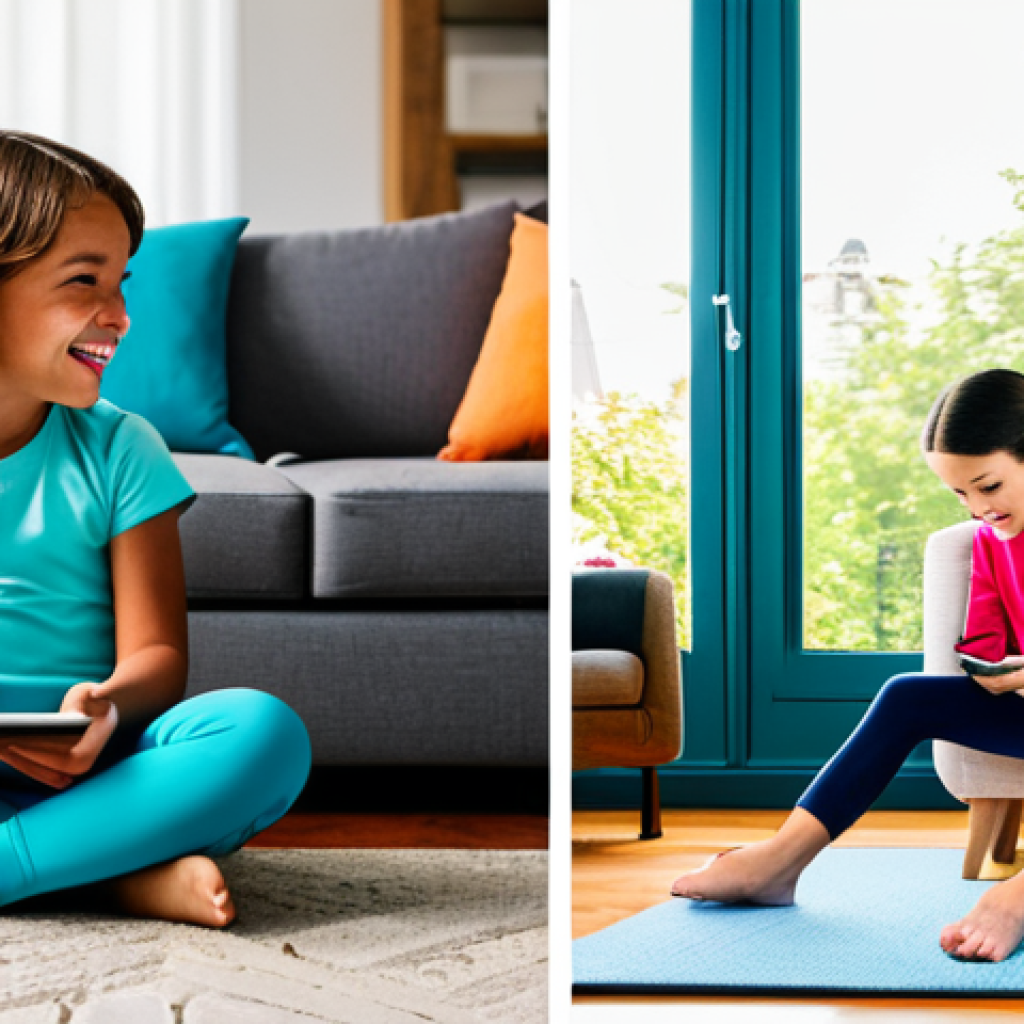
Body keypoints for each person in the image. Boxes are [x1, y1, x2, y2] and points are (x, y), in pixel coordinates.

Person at [0, 130, 311, 927]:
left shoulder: (120, 445)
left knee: (260, 732)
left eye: (122, 285)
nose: (121, 317)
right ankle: (108, 873)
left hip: (91, 765)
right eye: (85, 283)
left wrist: (107, 707)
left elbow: (159, 657)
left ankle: (36, 860)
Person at [671, 367, 1024, 963]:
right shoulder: (992, 539)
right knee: (904, 695)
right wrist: (994, 667)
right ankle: (781, 862)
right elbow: (985, 635)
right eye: (960, 494)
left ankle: (1018, 895)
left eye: (988, 486)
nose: (977, 509)